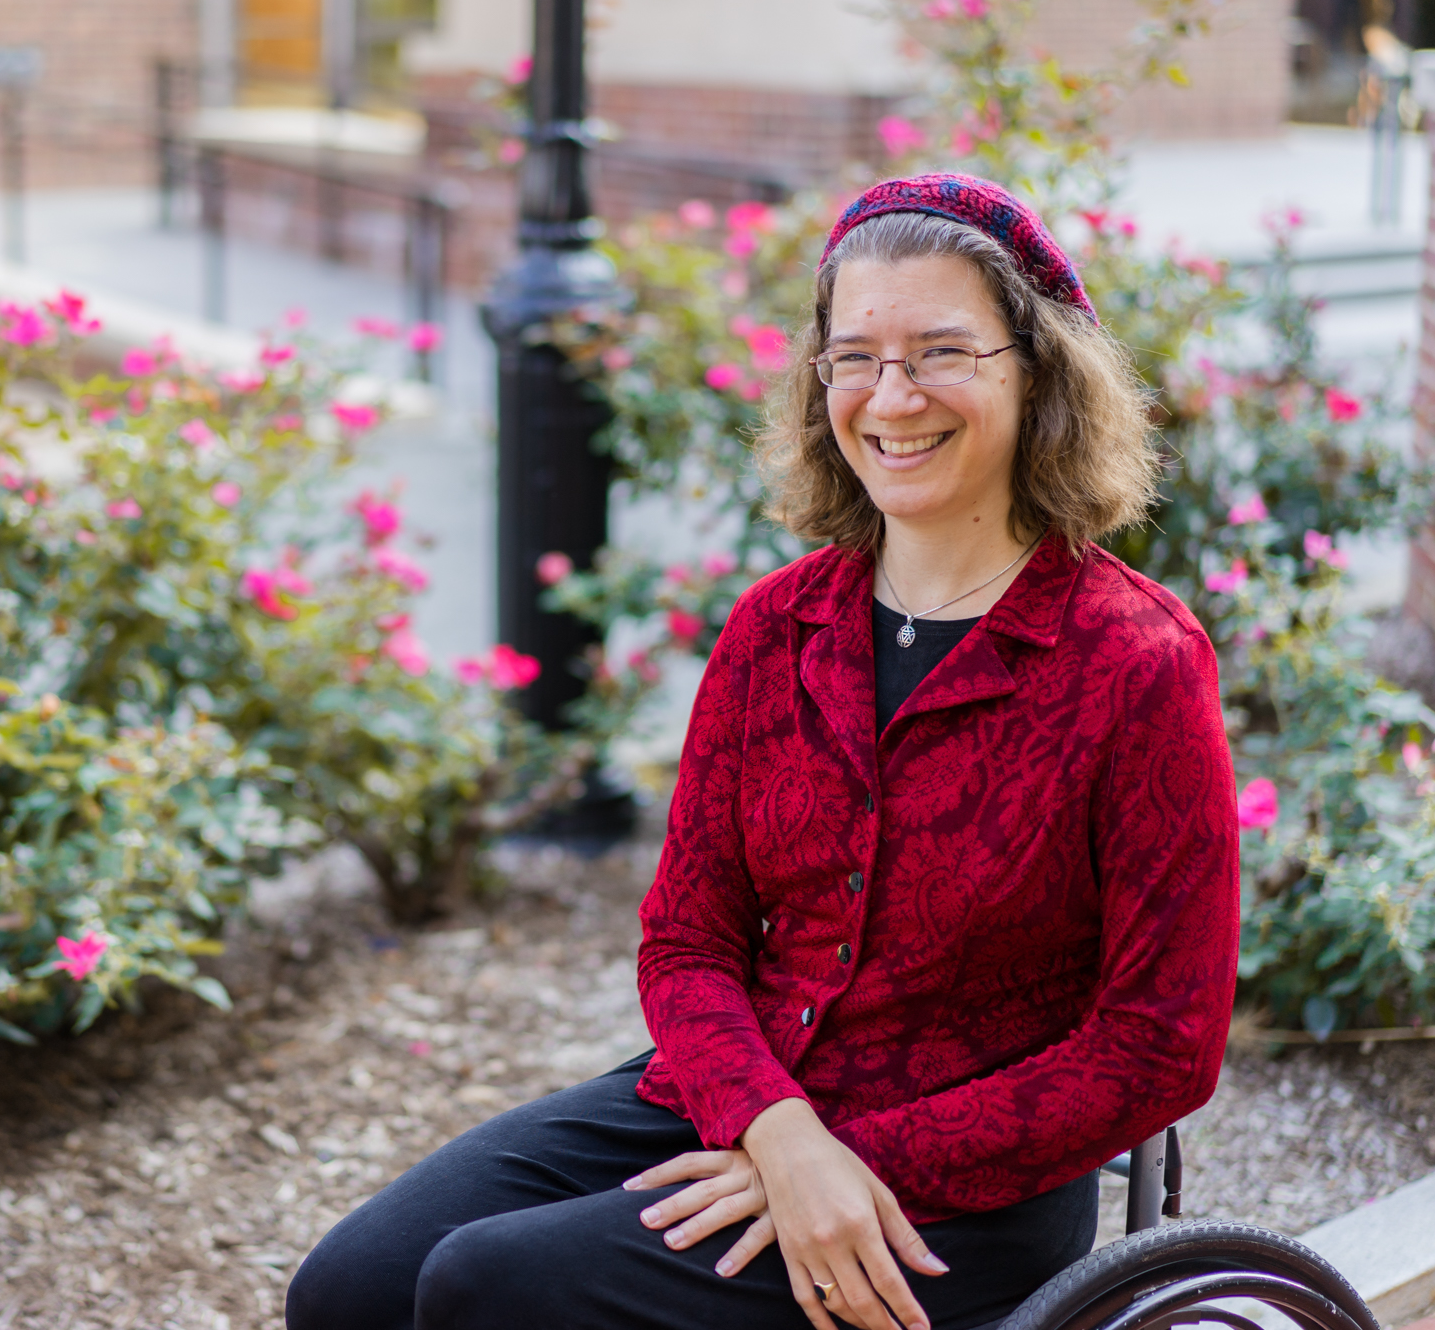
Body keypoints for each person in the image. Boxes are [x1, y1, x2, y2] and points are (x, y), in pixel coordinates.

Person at [285, 173, 1240, 1330]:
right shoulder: (777, 628)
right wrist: (778, 1133)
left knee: (489, 1290)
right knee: (351, 1291)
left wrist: (850, 1156)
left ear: (1037, 373)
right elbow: (687, 939)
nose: (892, 397)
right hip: (743, 1101)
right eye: (855, 357)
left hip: (959, 1188)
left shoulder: (1134, 661)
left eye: (942, 352)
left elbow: (1159, 1049)